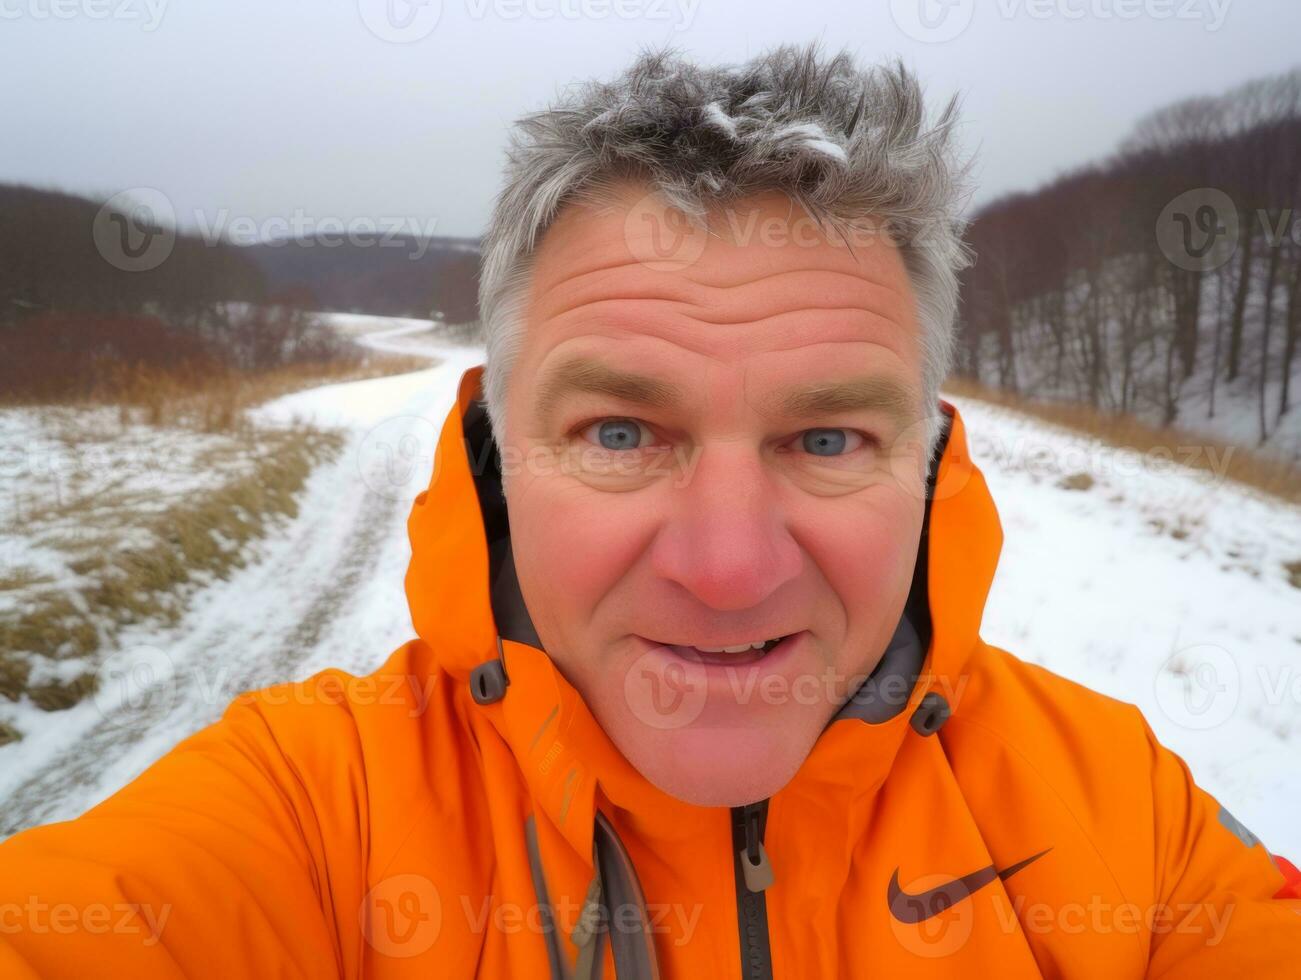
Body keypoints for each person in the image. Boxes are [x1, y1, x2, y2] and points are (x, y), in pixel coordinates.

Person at [2, 41, 1297, 979]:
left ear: (930, 457)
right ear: (499, 454)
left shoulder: (1121, 819)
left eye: (828, 435)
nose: (727, 567)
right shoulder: (312, 813)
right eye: (620, 431)